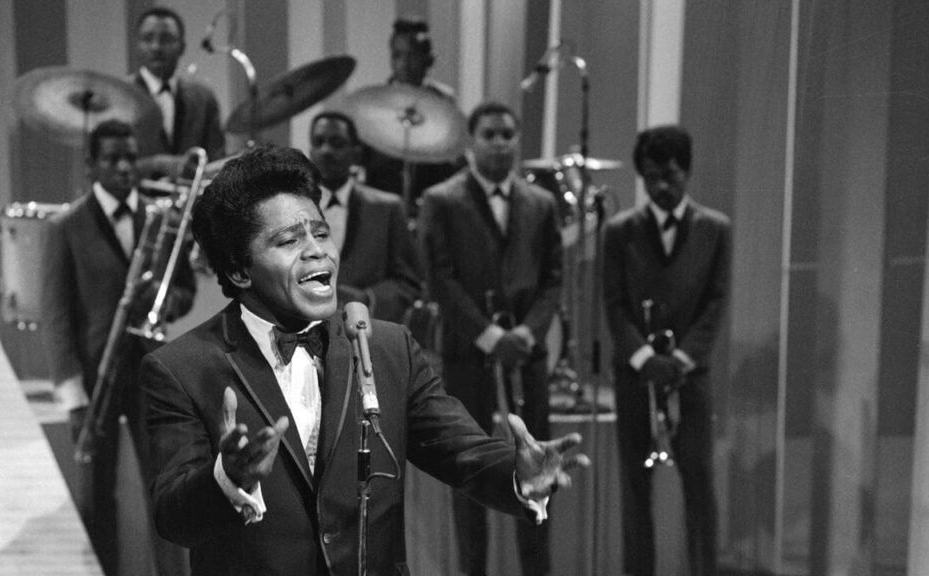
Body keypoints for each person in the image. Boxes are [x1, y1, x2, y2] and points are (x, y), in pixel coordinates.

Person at [139, 144, 588, 576]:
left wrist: (519, 473)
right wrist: (226, 477)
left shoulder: (389, 348)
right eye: (289, 240)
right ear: (239, 270)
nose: (317, 250)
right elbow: (173, 518)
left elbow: (463, 451)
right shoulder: (181, 369)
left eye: (320, 233)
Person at [40, 119, 195, 576]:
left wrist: (162, 303)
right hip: (95, 379)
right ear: (91, 165)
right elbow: (56, 318)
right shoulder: (65, 226)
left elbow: (183, 289)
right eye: (112, 159)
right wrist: (72, 398)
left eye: (130, 157)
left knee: (166, 491)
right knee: (96, 499)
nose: (125, 167)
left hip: (151, 373)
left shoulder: (160, 217)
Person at [419, 101, 564, 576]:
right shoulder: (441, 199)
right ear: (470, 142)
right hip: (468, 357)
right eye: (489, 134)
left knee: (539, 474)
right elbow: (439, 278)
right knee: (471, 476)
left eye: (507, 134)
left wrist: (526, 332)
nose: (500, 143)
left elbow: (553, 278)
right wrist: (489, 335)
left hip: (526, 358)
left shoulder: (541, 203)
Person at [602, 125, 731, 576]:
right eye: (652, 177)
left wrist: (680, 360)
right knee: (635, 488)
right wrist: (644, 359)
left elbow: (716, 302)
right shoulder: (619, 231)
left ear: (687, 172)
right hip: (635, 376)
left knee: (699, 484)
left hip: (689, 377)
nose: (661, 186)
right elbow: (613, 304)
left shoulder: (715, 229)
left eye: (670, 175)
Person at [308, 110, 423, 323]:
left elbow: (409, 282)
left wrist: (368, 299)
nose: (326, 151)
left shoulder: (387, 209)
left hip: (366, 330)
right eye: (318, 142)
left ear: (356, 153)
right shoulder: (293, 208)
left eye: (337, 143)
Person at [360, 17, 461, 216]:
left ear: (429, 59)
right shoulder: (375, 102)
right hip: (383, 206)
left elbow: (452, 159)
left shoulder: (444, 101)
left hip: (432, 207)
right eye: (397, 55)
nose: (404, 64)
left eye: (412, 55)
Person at [132, 5, 226, 179]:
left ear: (182, 47)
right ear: (137, 45)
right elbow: (108, 169)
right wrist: (157, 164)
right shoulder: (119, 97)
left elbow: (216, 158)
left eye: (166, 39)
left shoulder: (203, 98)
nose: (156, 47)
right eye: (147, 38)